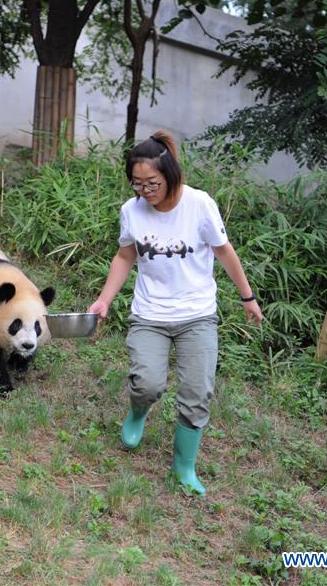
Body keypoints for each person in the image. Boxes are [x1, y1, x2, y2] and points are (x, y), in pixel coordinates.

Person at [88, 131, 263, 495]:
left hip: (197, 314)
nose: (145, 192)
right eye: (137, 184)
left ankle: (184, 468)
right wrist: (105, 299)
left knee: (197, 393)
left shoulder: (199, 205)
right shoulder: (131, 211)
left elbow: (224, 251)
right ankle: (138, 410)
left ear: (171, 175)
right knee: (147, 383)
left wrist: (248, 297)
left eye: (152, 183)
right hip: (150, 313)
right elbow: (125, 255)